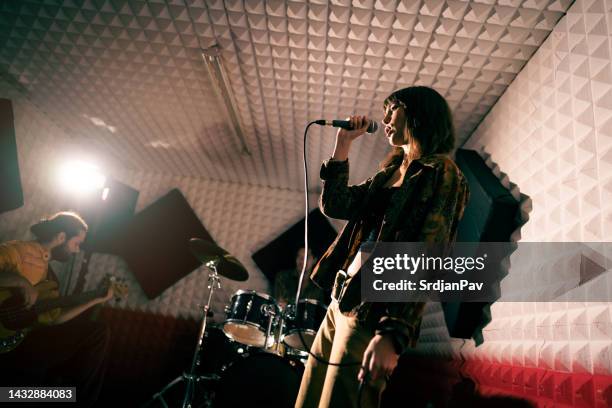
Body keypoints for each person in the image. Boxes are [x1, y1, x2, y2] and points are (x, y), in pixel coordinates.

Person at [295, 86, 470, 408]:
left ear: (418, 113)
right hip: (340, 297)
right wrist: (343, 144)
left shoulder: (442, 172)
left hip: (373, 307)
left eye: (393, 109)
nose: (384, 118)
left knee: (340, 400)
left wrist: (393, 333)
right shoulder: (388, 173)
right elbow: (335, 204)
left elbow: (430, 253)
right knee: (308, 396)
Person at [0, 211, 114, 407]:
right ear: (61, 237)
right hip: (7, 353)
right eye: (76, 243)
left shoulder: (51, 281)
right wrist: (21, 282)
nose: (77, 251)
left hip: (17, 347)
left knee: (97, 332)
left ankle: (77, 399)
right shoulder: (19, 251)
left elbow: (55, 319)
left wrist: (95, 300)